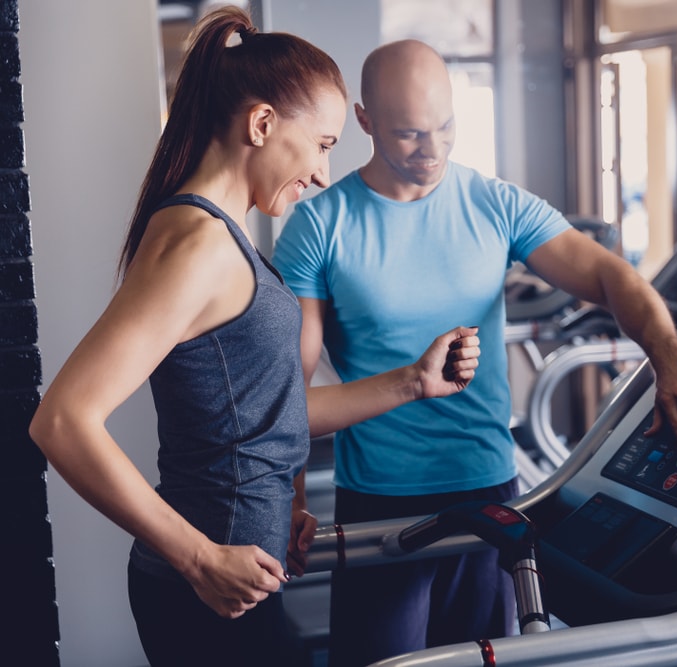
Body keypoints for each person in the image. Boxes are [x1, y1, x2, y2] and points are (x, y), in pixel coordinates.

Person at [28, 10, 481, 667]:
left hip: (237, 578)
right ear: (262, 124)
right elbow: (63, 420)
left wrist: (413, 381)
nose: (324, 172)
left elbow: (264, 414)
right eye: (322, 143)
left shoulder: (220, 235)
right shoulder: (199, 245)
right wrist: (199, 557)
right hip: (207, 592)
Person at [271, 38, 677, 665]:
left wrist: (667, 355)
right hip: (378, 496)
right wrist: (290, 497)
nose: (432, 150)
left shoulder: (495, 203)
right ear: (365, 121)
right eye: (408, 134)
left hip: (488, 489)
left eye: (444, 127)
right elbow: (290, 381)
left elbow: (610, 275)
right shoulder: (320, 224)